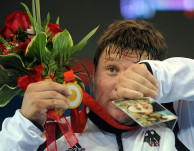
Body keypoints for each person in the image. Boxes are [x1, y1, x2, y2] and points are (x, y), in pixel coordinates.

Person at [0, 19, 194, 151]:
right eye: (112, 69)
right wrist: (25, 125)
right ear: (93, 76)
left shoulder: (178, 124)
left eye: (136, 72)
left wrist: (158, 75)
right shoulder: (55, 135)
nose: (122, 85)